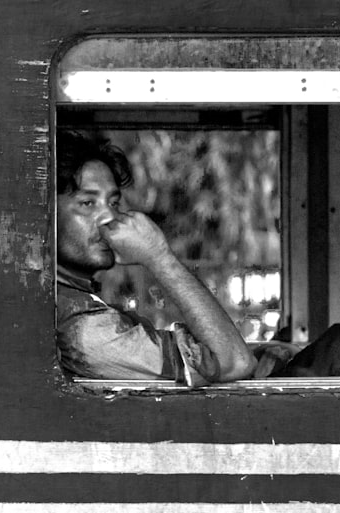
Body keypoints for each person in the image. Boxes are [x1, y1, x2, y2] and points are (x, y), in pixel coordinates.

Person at [56, 131, 257, 385]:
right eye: (87, 203)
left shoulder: (78, 302)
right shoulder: (80, 327)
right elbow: (233, 362)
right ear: (46, 216)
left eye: (114, 203)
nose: (109, 217)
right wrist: (159, 257)